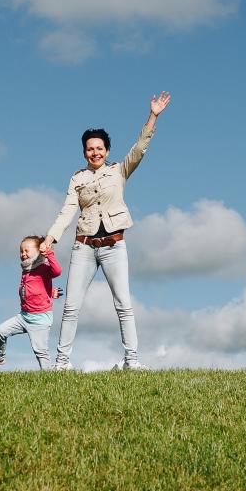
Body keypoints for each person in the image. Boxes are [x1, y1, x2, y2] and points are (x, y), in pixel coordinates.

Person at [40, 92, 171, 371]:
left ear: (107, 150)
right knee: (71, 307)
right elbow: (67, 210)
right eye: (89, 149)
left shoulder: (119, 171)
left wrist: (153, 115)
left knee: (123, 304)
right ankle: (61, 363)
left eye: (99, 148)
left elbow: (140, 148)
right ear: (84, 152)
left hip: (114, 245)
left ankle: (131, 361)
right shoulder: (78, 178)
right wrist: (50, 237)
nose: (95, 152)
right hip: (83, 247)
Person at [0, 235, 62, 371]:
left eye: (27, 251)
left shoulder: (43, 266)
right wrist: (50, 292)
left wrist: (49, 253)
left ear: (38, 252)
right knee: (0, 331)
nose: (23, 254)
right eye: (21, 251)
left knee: (40, 352)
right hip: (24, 316)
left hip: (40, 319)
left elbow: (57, 271)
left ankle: (49, 375)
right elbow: (34, 288)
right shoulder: (26, 269)